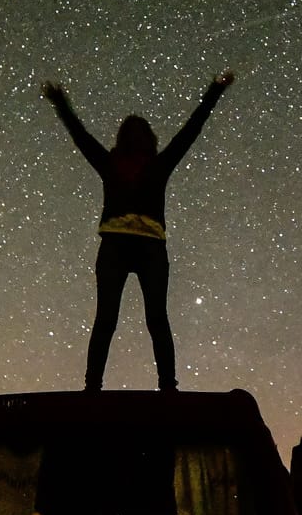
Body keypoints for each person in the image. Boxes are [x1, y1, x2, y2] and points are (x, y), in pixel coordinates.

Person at [43, 71, 234, 391]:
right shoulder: (123, 164)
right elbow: (81, 136)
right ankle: (118, 386)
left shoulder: (146, 165)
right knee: (118, 318)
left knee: (144, 319)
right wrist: (60, 103)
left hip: (140, 248)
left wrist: (214, 92)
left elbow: (190, 130)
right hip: (131, 248)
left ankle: (146, 386)